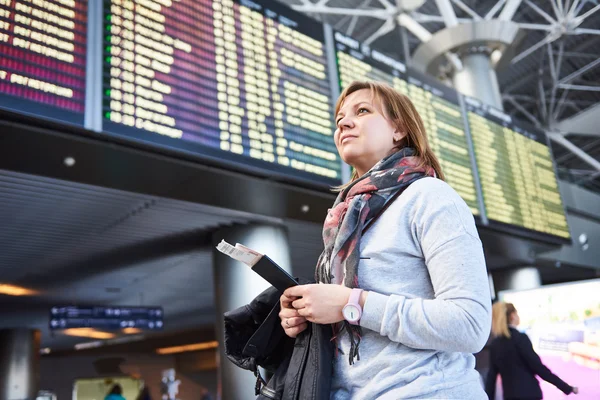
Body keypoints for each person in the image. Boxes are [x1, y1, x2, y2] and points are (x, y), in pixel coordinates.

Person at [279, 80, 492, 399]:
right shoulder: (347, 218)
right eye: (339, 120)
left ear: (399, 130)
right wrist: (307, 314)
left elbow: (470, 324)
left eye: (362, 111)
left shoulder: (429, 197)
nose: (344, 123)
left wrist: (351, 304)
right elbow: (357, 332)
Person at [485, 301, 578, 399]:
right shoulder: (520, 338)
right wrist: (566, 387)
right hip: (530, 394)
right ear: (512, 316)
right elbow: (538, 367)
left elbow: (491, 377)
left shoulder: (495, 344)